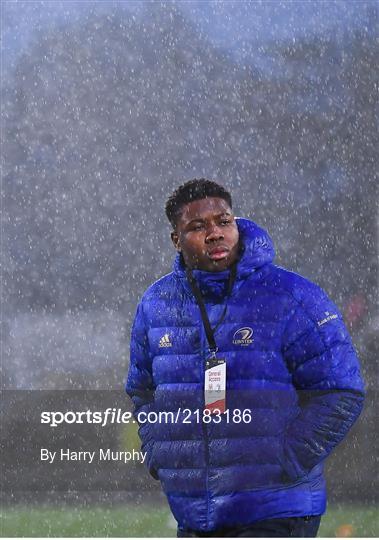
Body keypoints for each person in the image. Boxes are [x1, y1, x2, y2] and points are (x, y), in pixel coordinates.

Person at [126, 179, 365, 537]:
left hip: (276, 511)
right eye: (197, 226)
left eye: (223, 221)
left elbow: (342, 390)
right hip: (195, 515)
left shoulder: (293, 296)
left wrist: (286, 457)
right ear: (176, 239)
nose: (215, 233)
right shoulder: (156, 304)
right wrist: (160, 449)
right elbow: (142, 390)